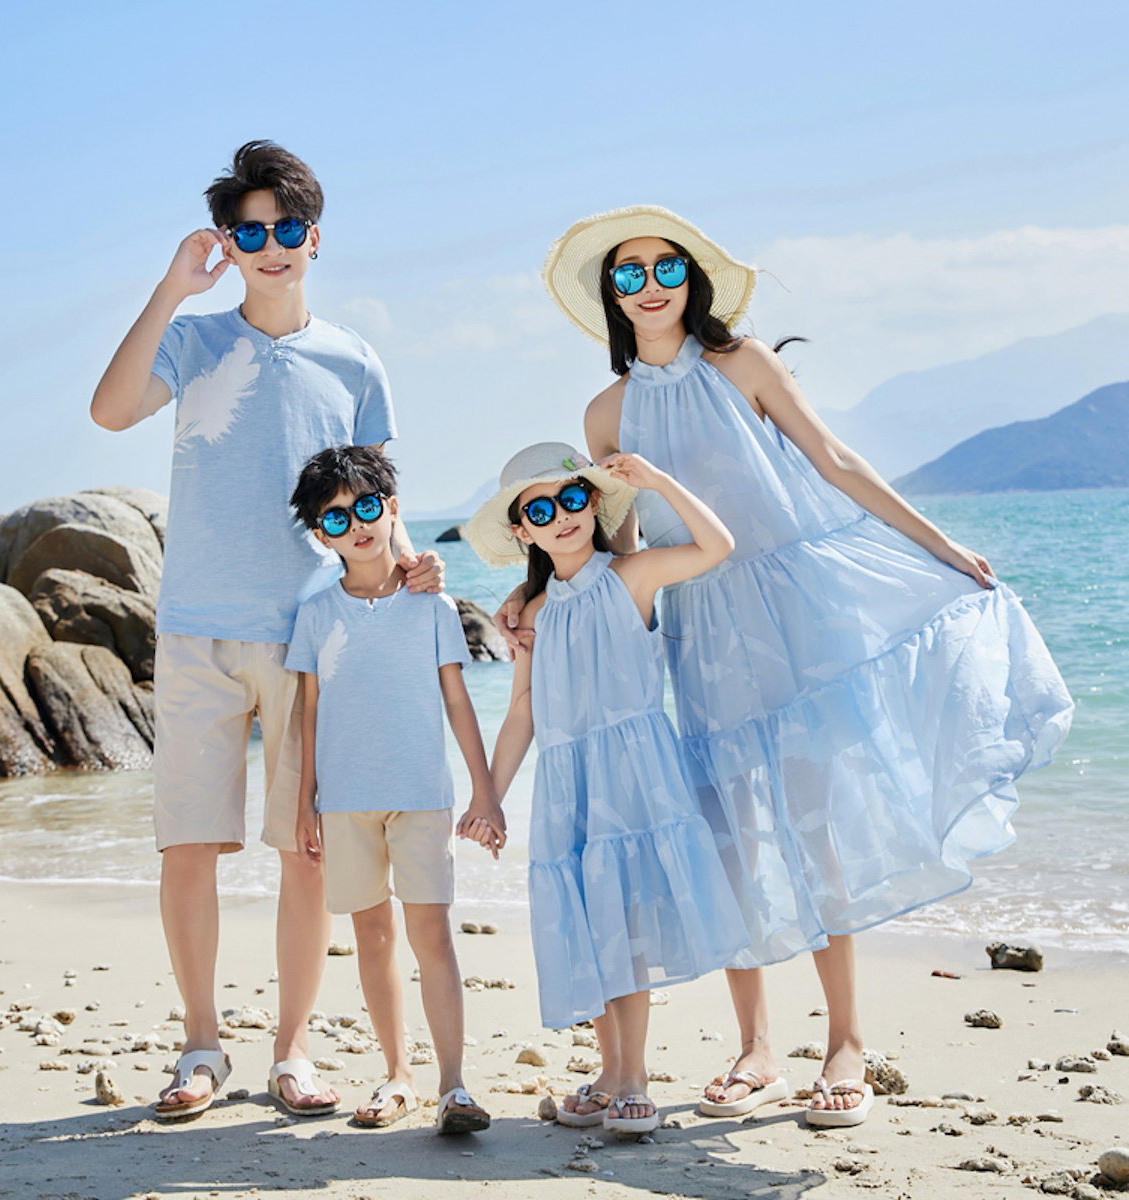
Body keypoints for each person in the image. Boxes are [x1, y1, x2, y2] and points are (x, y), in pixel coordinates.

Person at [512, 206, 1075, 1128]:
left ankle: (846, 1041)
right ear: (611, 297)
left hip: (792, 612)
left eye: (664, 267)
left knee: (816, 829)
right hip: (698, 632)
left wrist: (939, 546)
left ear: (691, 279)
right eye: (628, 274)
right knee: (731, 838)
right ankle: (756, 1048)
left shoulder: (744, 364)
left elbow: (837, 460)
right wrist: (530, 597)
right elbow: (608, 550)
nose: (649, 285)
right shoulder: (605, 412)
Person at [90, 141, 441, 1120]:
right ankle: (202, 1047)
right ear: (230, 244)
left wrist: (409, 569)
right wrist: (169, 289)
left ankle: (292, 1053)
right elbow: (111, 410)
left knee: (308, 851)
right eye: (253, 232)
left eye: (288, 230)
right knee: (188, 848)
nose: (273, 246)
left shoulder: (353, 358)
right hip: (198, 628)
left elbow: (372, 496)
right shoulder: (194, 342)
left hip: (310, 638)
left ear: (314, 238)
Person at [464, 441, 750, 1135]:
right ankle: (609, 1069)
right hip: (569, 782)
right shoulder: (530, 615)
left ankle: (633, 1076)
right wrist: (488, 796)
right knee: (591, 923)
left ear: (592, 503)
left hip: (635, 776)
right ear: (522, 530)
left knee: (625, 922)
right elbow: (523, 713)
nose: (560, 516)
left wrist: (657, 483)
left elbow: (718, 545)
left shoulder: (633, 576)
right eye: (540, 509)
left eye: (571, 498)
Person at [287, 445, 501, 1134]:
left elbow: (460, 704)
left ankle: (454, 1085)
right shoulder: (317, 614)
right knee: (373, 936)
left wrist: (485, 791)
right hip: (344, 802)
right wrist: (304, 807)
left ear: (393, 510)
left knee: (431, 932)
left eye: (369, 507)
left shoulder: (432, 607)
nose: (358, 524)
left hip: (422, 796)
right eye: (339, 517)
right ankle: (397, 1075)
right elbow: (308, 715)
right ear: (321, 535)